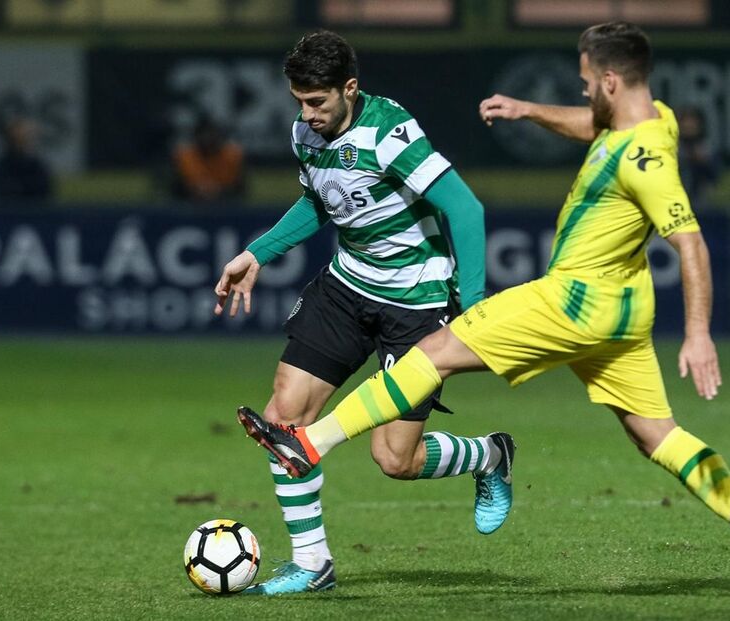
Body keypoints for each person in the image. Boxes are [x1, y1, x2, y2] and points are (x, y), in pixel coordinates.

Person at [237, 22, 730, 601]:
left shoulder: (644, 163)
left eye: (586, 81)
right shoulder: (656, 120)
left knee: (433, 354)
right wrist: (529, 110)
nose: (582, 91)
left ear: (609, 80)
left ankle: (312, 442)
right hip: (626, 313)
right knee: (658, 437)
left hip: (574, 300)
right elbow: (597, 125)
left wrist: (699, 333)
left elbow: (691, 242)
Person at [215, 30, 515, 595]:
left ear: (349, 88)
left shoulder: (389, 133)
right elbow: (320, 203)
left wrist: (473, 308)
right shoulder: (306, 132)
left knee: (396, 459)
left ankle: (490, 455)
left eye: (317, 101)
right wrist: (257, 253)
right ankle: (312, 564)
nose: (307, 114)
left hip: (416, 301)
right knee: (282, 420)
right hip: (347, 289)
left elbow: (465, 209)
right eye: (299, 101)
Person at [172, 116, 246, 202]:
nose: (207, 139)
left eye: (211, 134)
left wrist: (219, 191)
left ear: (219, 136)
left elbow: (240, 188)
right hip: (190, 203)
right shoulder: (183, 156)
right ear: (196, 136)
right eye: (203, 134)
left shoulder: (233, 155)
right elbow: (176, 188)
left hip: (226, 203)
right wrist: (195, 190)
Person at [0, 115, 54, 203]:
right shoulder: (4, 165)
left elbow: (45, 191)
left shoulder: (37, 165)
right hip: (11, 209)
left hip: (36, 209)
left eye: (25, 136)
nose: (22, 139)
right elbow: (6, 191)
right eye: (17, 136)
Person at [676, 107, 720, 207]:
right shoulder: (672, 146)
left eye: (692, 122)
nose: (688, 125)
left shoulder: (706, 148)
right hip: (674, 196)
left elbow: (714, 177)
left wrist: (703, 162)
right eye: (685, 121)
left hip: (700, 199)